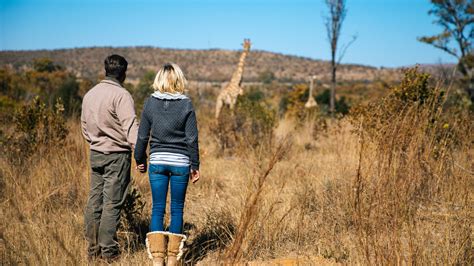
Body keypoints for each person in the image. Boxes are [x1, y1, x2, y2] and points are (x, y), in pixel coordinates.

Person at [134, 63, 200, 266]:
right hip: (181, 162)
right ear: (179, 80)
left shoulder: (150, 103)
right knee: (177, 209)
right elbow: (192, 139)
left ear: (159, 79)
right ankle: (172, 260)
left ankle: (157, 260)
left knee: (158, 209)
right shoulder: (186, 104)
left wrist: (139, 159)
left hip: (157, 162)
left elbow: (143, 135)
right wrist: (195, 165)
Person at [81, 54, 139, 262]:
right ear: (124, 73)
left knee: (94, 200)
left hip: (96, 153)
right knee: (112, 204)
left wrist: (96, 142)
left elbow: (85, 128)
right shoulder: (122, 96)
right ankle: (109, 253)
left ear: (106, 70)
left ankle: (92, 250)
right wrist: (140, 154)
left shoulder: (90, 94)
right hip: (117, 155)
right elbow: (131, 128)